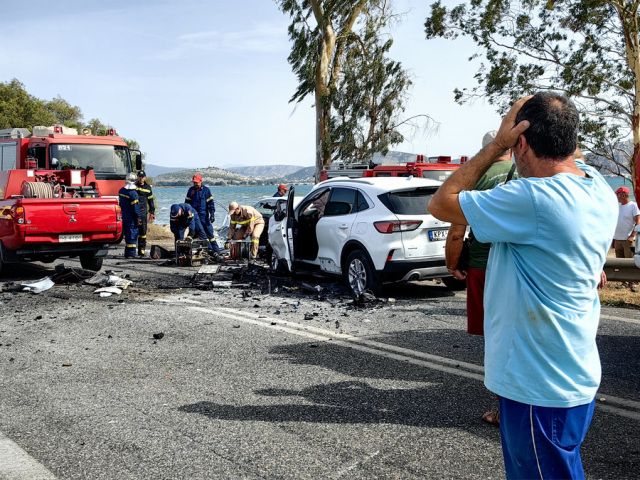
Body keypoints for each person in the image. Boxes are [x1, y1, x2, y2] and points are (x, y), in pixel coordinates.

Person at [428, 92, 618, 480]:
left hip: (538, 387)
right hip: (572, 375)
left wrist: (498, 143)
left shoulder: (533, 198)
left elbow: (441, 202)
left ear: (523, 143)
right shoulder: (597, 187)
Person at [444, 130, 516, 426]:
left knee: (496, 340)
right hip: (519, 266)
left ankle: (505, 409)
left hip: (483, 267)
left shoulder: (477, 180)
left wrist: (452, 264)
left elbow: (457, 232)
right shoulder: (528, 175)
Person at [612, 186, 640, 292]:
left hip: (628, 239)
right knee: (620, 260)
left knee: (630, 261)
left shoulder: (633, 206)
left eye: (618, 195)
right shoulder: (618, 207)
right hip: (618, 238)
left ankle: (634, 283)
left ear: (623, 195)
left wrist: (632, 236)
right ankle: (624, 282)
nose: (617, 197)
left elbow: (638, 222)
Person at [185, 174, 220, 254]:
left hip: (204, 217)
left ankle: (216, 251)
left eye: (197, 182)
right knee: (197, 235)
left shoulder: (206, 191)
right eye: (194, 182)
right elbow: (187, 204)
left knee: (210, 235)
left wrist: (212, 214)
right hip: (194, 218)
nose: (195, 184)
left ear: (201, 181)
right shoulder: (191, 190)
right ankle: (205, 251)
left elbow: (211, 204)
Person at [118, 173, 141, 259]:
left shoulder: (121, 191)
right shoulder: (133, 194)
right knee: (132, 235)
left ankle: (127, 253)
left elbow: (120, 204)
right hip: (131, 218)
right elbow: (135, 208)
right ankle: (131, 254)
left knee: (127, 235)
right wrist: (138, 217)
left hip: (123, 216)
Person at [135, 170, 156, 257]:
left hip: (143, 212)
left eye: (142, 177)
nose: (141, 178)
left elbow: (151, 201)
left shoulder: (148, 188)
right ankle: (131, 251)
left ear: (145, 178)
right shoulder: (134, 186)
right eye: (139, 177)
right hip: (134, 211)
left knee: (143, 232)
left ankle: (142, 250)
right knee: (133, 231)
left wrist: (152, 212)